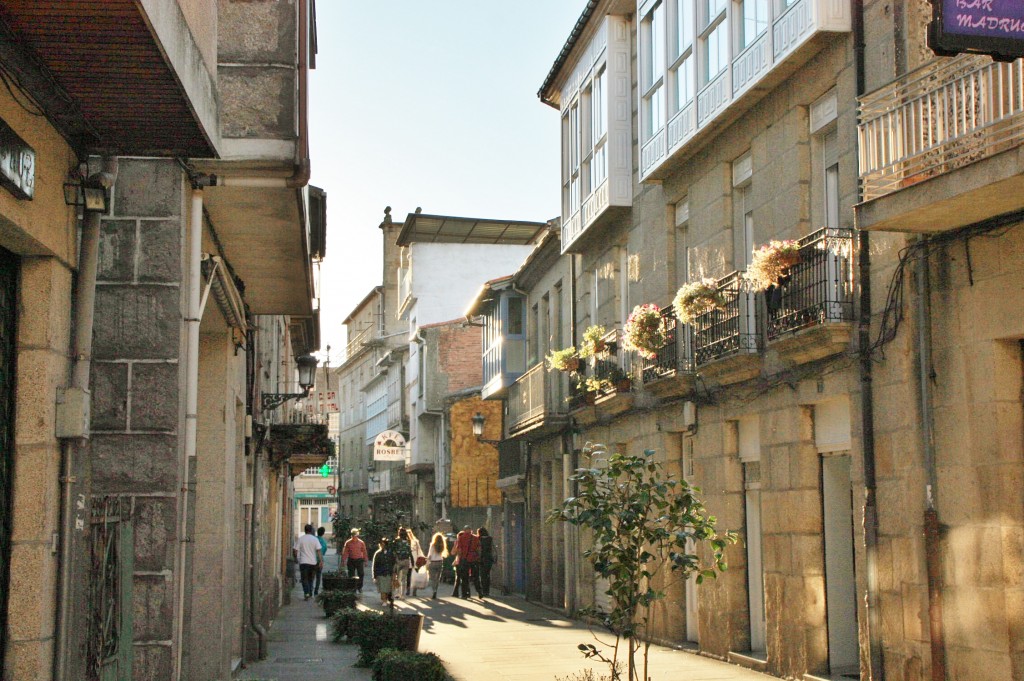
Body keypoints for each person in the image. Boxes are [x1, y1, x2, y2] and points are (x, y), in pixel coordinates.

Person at [292, 524, 322, 601]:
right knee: (311, 579)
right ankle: (310, 592)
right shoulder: (315, 539)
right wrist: (321, 561)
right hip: (313, 563)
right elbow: (319, 551)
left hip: (304, 562)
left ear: (305, 530)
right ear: (311, 530)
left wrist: (295, 558)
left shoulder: (301, 539)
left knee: (304, 579)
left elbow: (295, 550)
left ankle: (307, 593)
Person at [453, 525, 482, 599]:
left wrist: (460, 558)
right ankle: (479, 591)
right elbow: (479, 548)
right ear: (471, 530)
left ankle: (464, 594)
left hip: (465, 559)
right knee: (476, 577)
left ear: (464, 530)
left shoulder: (461, 538)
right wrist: (478, 556)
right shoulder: (475, 538)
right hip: (474, 559)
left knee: (464, 578)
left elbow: (459, 549)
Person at [371, 537, 396, 607]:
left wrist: (394, 573)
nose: (383, 546)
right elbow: (375, 565)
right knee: (382, 588)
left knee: (388, 588)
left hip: (389, 573)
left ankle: (386, 599)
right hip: (381, 573)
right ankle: (384, 600)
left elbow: (394, 563)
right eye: (381, 544)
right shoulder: (378, 554)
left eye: (384, 544)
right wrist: (374, 576)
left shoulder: (391, 553)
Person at [391, 526, 413, 599]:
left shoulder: (396, 541)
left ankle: (397, 592)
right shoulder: (408, 541)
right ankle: (402, 595)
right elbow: (410, 552)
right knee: (404, 578)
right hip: (406, 560)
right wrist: (412, 562)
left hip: (398, 560)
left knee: (397, 577)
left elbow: (393, 551)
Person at [425, 532, 448, 599]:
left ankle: (434, 590)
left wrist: (427, 563)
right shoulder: (442, 545)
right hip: (440, 562)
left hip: (433, 562)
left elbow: (430, 555)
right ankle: (436, 590)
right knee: (437, 578)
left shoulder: (433, 545)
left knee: (432, 578)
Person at [406, 528, 425, 596]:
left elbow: (419, 551)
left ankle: (411, 590)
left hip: (412, 562)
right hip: (412, 562)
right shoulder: (413, 542)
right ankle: (412, 590)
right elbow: (419, 551)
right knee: (412, 576)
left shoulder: (413, 542)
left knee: (411, 576)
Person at [477, 527, 494, 598]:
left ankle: (484, 591)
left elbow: (479, 549)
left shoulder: (479, 539)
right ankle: (487, 591)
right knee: (487, 575)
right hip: (489, 558)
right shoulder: (490, 538)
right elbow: (492, 548)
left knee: (483, 575)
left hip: (482, 559)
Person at [313, 526, 328, 596]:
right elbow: (324, 551)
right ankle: (316, 590)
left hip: (312, 560)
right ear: (323, 533)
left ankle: (310, 589)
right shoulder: (324, 542)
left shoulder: (314, 539)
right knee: (318, 576)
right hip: (320, 561)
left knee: (311, 576)